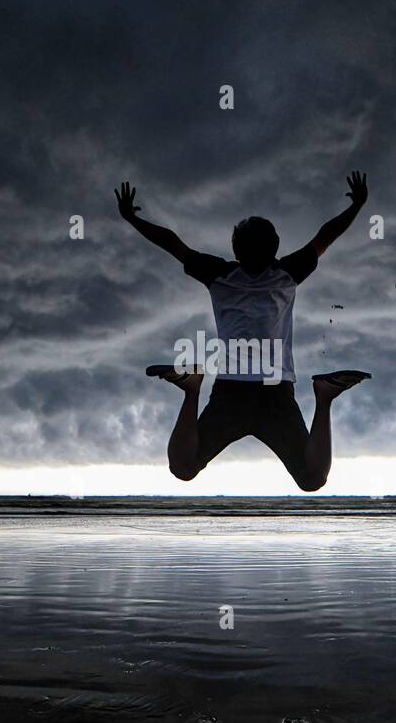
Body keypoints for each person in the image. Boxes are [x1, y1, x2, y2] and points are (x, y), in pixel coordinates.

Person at [115, 173, 372, 491]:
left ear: (235, 250)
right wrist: (357, 206)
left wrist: (132, 219)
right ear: (275, 248)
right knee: (312, 478)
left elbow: (172, 243)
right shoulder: (287, 273)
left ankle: (192, 389)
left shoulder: (219, 274)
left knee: (183, 467)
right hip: (273, 391)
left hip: (232, 392)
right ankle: (324, 396)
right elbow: (326, 236)